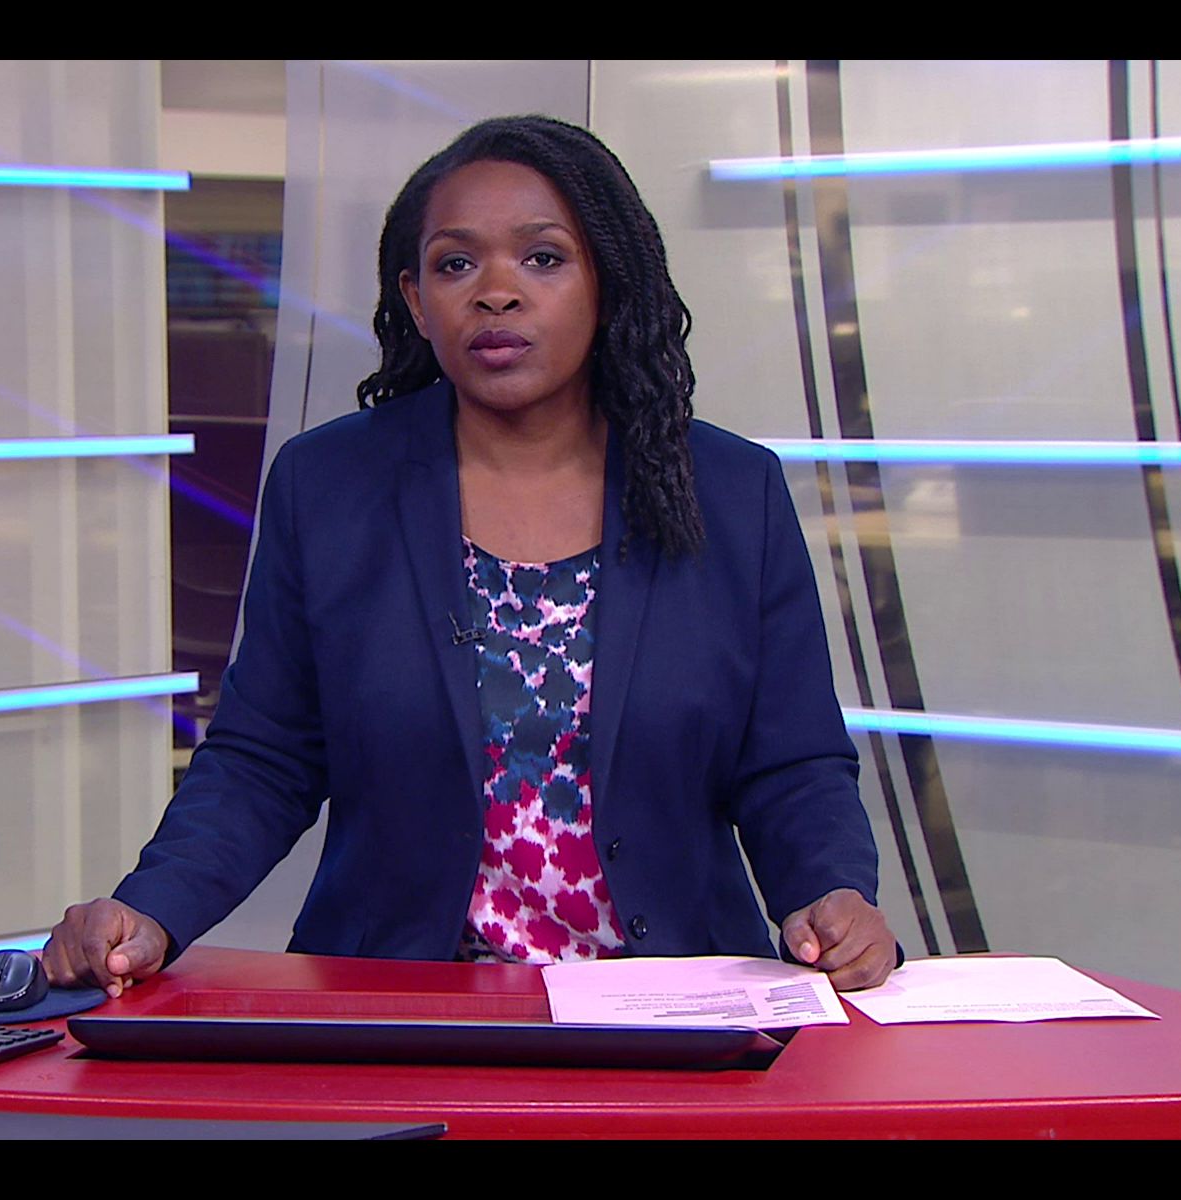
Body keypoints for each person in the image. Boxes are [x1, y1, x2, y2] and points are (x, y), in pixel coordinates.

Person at [44, 115, 899, 1000]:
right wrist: (152, 910)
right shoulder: (329, 486)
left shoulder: (730, 491)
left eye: (543, 258)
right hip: (400, 1010)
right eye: (456, 265)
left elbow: (791, 761)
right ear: (416, 301)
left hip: (673, 1008)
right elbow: (266, 757)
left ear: (607, 282)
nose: (496, 293)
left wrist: (832, 893)